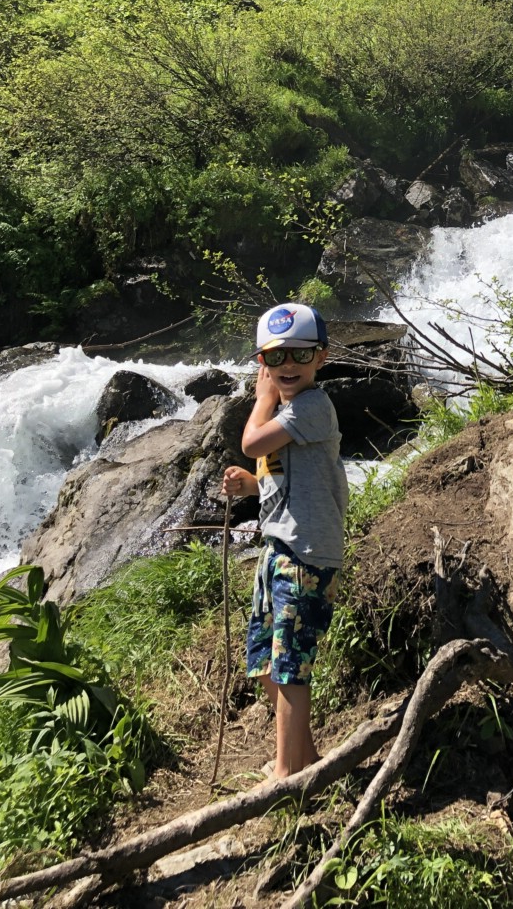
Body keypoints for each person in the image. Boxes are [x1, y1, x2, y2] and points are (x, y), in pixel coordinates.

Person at [222, 301, 348, 779]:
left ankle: (285, 777)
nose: (288, 364)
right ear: (263, 361)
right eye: (276, 357)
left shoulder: (313, 406)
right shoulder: (292, 412)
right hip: (278, 546)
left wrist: (262, 398)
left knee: (291, 665)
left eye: (300, 353)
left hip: (306, 551)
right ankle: (305, 759)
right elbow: (285, 475)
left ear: (322, 357)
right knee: (267, 661)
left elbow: (252, 443)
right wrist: (252, 486)